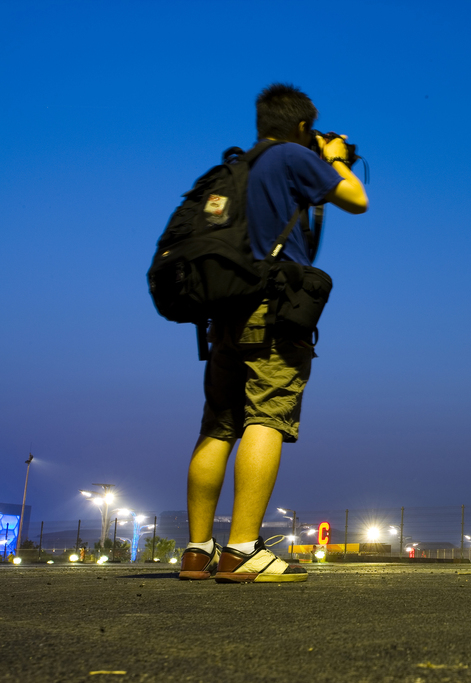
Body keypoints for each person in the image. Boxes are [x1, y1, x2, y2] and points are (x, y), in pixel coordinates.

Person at [177, 83, 368, 583]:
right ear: (302, 126)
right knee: (268, 414)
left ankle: (199, 551)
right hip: (273, 307)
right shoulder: (291, 157)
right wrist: (335, 158)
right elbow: (356, 199)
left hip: (224, 312)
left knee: (218, 425)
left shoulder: (238, 167)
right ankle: (242, 550)